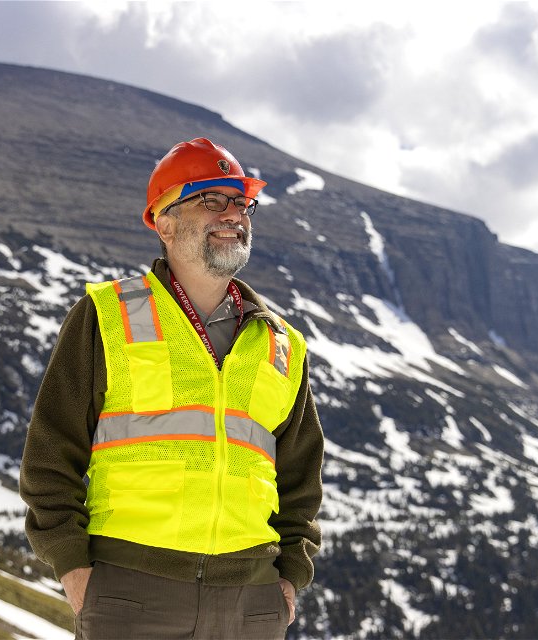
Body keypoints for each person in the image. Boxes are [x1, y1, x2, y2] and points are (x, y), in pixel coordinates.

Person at [20, 137, 323, 640]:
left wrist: (290, 577)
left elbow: (301, 479)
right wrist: (73, 567)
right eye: (212, 200)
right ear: (163, 221)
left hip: (251, 601)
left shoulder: (281, 343)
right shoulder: (108, 315)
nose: (234, 215)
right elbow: (51, 454)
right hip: (131, 593)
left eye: (242, 203)